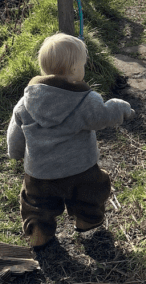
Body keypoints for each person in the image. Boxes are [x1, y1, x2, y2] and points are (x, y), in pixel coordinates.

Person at [7, 33, 134, 248]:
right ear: (75, 70)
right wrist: (122, 109)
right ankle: (87, 220)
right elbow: (103, 115)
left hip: (40, 172)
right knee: (91, 191)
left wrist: (16, 153)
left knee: (37, 203)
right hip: (80, 169)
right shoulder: (85, 100)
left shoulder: (26, 103)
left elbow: (15, 133)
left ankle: (39, 230)